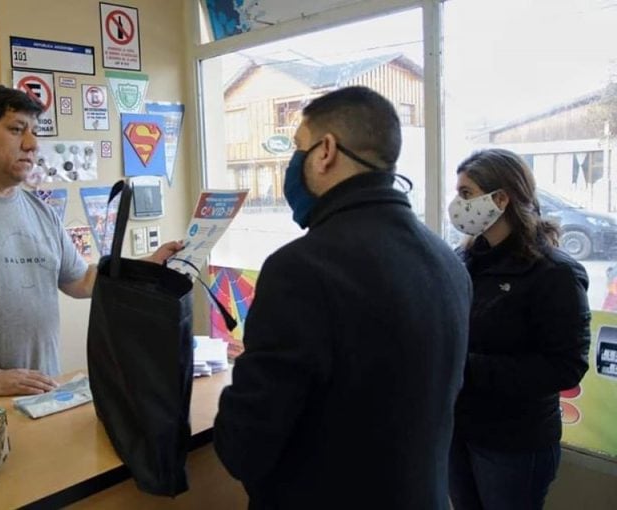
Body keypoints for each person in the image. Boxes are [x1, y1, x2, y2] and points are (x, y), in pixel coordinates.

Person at [213, 86, 472, 509]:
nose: (293, 165)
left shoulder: (300, 269)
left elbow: (246, 446)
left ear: (326, 151)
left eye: (298, 148)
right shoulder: (447, 260)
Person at [0, 84, 181, 397]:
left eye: (34, 132)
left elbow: (82, 280)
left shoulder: (41, 211)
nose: (32, 144)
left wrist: (147, 267)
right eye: (17, 130)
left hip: (42, 395)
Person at [447, 148, 591, 510]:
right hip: (459, 429)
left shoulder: (553, 273)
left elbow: (566, 366)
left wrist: (465, 367)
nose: (456, 204)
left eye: (466, 194)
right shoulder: (462, 261)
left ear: (500, 198)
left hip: (514, 442)